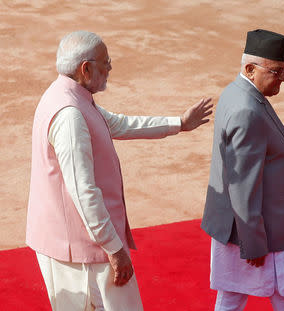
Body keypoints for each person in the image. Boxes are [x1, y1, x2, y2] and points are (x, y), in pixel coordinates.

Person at [26, 30, 212, 310]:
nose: (110, 67)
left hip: (72, 242)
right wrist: (115, 249)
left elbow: (120, 124)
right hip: (82, 251)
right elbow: (83, 191)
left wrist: (179, 123)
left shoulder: (65, 94)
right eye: (105, 62)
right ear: (85, 68)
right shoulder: (70, 115)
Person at [201, 29, 284, 311]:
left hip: (241, 227)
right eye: (277, 71)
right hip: (261, 232)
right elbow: (243, 185)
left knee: (231, 298)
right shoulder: (247, 110)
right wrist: (253, 242)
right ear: (250, 69)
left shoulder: (235, 92)